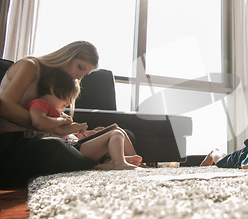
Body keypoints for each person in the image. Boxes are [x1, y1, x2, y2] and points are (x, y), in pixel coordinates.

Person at [0, 41, 133, 183]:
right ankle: (102, 165)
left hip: (38, 138)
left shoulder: (54, 82)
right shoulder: (30, 66)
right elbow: (4, 105)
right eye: (80, 67)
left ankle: (110, 160)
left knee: (123, 133)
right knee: (54, 146)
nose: (79, 76)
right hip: (12, 143)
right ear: (68, 56)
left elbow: (55, 126)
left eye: (84, 74)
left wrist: (73, 131)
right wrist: (50, 125)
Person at [26, 69, 142, 170]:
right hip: (70, 149)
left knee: (118, 131)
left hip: (74, 144)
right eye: (69, 97)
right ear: (52, 89)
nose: (70, 102)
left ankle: (134, 164)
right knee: (115, 134)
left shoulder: (58, 112)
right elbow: (38, 121)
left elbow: (64, 132)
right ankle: (119, 163)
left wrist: (85, 133)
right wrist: (64, 121)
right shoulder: (40, 103)